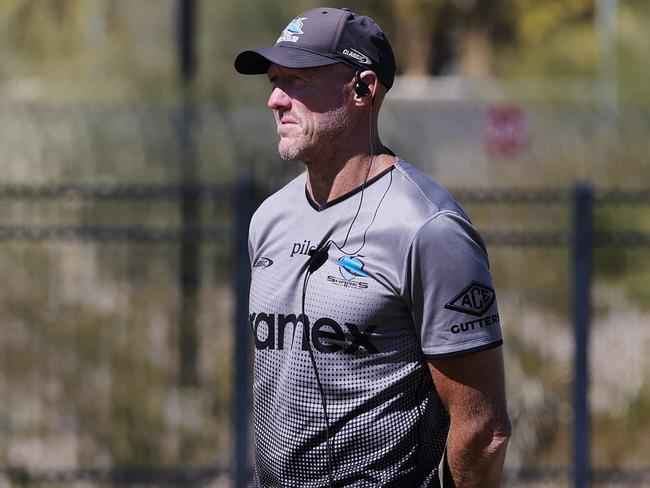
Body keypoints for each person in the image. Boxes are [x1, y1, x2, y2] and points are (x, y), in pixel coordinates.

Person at [235, 7, 511, 487]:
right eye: (274, 81)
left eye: (298, 80)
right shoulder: (268, 218)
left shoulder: (428, 227)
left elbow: (482, 432)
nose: (275, 100)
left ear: (363, 88)